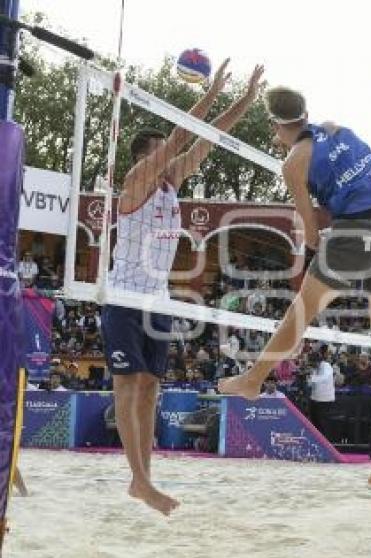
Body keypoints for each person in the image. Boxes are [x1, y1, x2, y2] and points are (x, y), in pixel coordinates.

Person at [219, 84, 371, 487]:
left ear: (278, 124)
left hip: (359, 229)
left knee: (301, 311)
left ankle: (254, 378)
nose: (274, 137)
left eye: (273, 129)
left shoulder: (293, 162)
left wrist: (314, 250)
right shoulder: (334, 127)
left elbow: (310, 231)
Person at [101, 60, 264, 516]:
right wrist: (209, 93)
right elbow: (181, 137)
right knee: (128, 386)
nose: (173, 159)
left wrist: (244, 100)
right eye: (163, 154)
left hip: (157, 299)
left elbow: (206, 139)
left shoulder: (171, 186)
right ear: (144, 158)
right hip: (123, 296)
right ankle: (139, 480)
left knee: (151, 386)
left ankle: (145, 481)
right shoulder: (134, 185)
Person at [307, 350, 336, 435]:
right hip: (314, 398)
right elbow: (311, 383)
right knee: (314, 422)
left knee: (322, 423)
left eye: (313, 363)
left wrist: (312, 378)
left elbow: (324, 377)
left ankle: (324, 442)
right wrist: (309, 378)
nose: (312, 365)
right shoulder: (315, 369)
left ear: (318, 361)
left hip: (325, 400)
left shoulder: (326, 366)